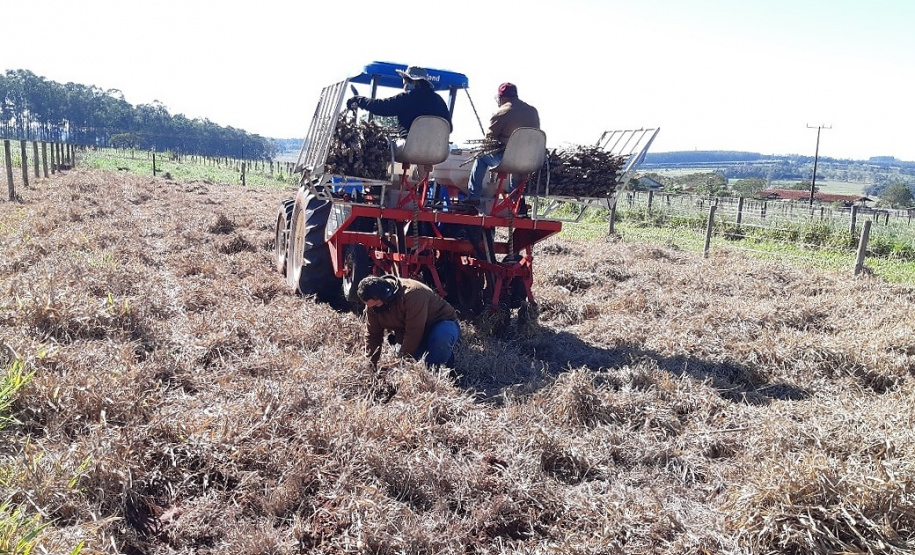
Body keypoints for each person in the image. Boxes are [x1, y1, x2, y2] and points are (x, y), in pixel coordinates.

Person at [357, 274, 460, 368]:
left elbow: (414, 331)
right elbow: (373, 335)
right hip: (413, 331)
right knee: (416, 357)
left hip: (441, 324)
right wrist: (371, 364)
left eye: (376, 305)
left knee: (440, 340)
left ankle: (439, 368)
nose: (375, 309)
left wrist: (401, 362)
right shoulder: (372, 305)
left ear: (387, 296)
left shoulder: (413, 294)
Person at [466, 82, 540, 198]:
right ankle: (515, 199)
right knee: (517, 162)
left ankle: (473, 196)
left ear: (502, 98)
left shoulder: (501, 113)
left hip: (509, 160)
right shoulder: (532, 111)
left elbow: (488, 142)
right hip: (530, 160)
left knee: (481, 156)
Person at [347, 65, 453, 138]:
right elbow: (449, 128)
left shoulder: (407, 98)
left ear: (414, 82)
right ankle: (422, 169)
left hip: (409, 147)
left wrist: (358, 100)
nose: (404, 86)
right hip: (436, 150)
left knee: (382, 145)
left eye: (405, 82)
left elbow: (381, 107)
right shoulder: (439, 101)